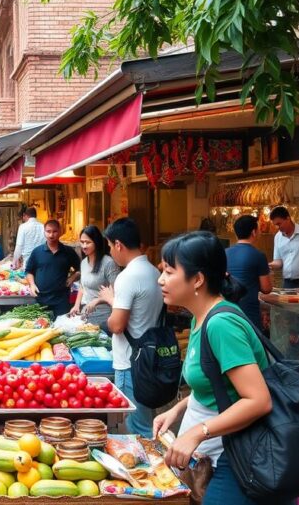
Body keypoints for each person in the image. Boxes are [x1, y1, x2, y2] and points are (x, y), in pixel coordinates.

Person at [150, 231, 279, 505]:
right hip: (219, 454)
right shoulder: (201, 318)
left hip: (237, 458)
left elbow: (258, 400)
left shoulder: (221, 325)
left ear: (197, 279)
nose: (160, 279)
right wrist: (178, 408)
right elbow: (218, 383)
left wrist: (197, 432)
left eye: (169, 272)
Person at [98, 218, 161, 438]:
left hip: (130, 362)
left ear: (118, 245)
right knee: (146, 421)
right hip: (149, 359)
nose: (110, 252)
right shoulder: (153, 272)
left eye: (109, 246)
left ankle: (152, 470)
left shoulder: (128, 277)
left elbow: (116, 325)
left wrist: (109, 300)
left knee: (137, 429)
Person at [25, 220, 81, 318]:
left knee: (61, 329)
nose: (51, 235)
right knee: (42, 328)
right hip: (41, 298)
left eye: (54, 231)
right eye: (48, 231)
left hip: (61, 300)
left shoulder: (68, 251)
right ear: (44, 232)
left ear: (60, 232)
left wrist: (73, 278)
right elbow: (29, 271)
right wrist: (32, 284)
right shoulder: (37, 252)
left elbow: (80, 269)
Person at [70, 226, 120, 333]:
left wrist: (97, 300)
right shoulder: (83, 262)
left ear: (96, 242)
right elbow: (82, 286)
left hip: (104, 316)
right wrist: (76, 305)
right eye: (82, 242)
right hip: (86, 314)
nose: (84, 246)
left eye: (88, 242)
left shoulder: (108, 263)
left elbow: (117, 291)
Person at [226, 215, 273, 330]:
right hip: (248, 311)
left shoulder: (224, 253)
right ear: (253, 232)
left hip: (226, 308)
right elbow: (266, 289)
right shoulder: (259, 255)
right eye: (259, 229)